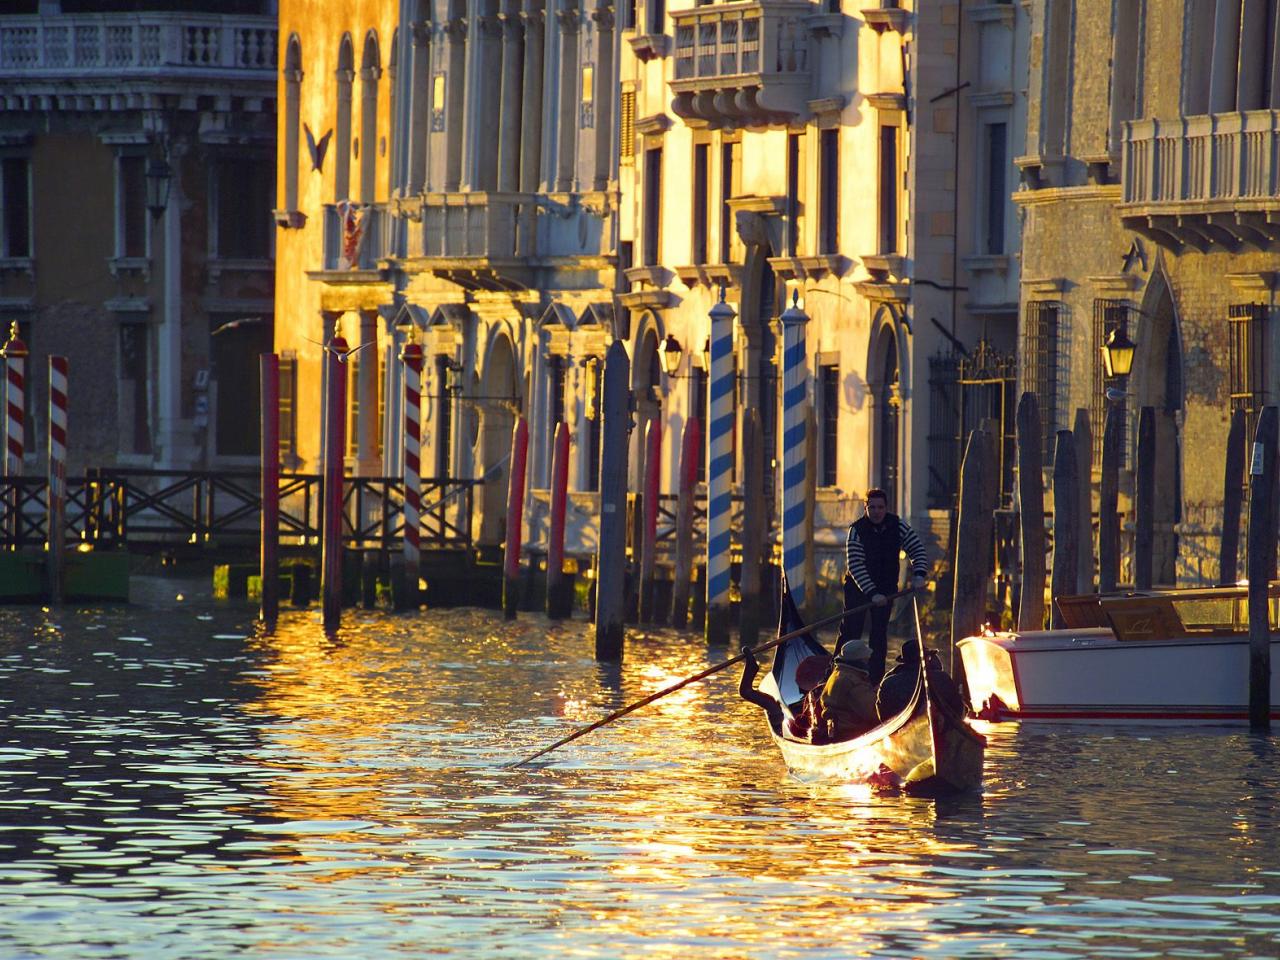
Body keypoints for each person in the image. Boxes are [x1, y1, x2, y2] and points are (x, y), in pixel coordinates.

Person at [838, 488, 929, 685]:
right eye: (872, 507)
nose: (877, 511)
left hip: (887, 589)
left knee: (879, 635)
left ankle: (874, 682)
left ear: (886, 508)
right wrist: (872, 593)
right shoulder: (856, 530)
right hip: (858, 589)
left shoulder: (897, 525)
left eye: (880, 507)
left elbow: (917, 549)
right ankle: (837, 676)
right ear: (865, 508)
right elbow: (855, 566)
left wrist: (919, 575)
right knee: (851, 631)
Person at [876, 638, 967, 723]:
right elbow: (958, 709)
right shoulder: (943, 678)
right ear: (927, 658)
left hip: (901, 730)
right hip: (940, 726)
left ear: (904, 661)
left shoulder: (888, 682)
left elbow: (883, 715)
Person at [820, 639, 881, 741]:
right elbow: (874, 713)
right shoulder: (853, 682)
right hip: (851, 732)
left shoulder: (836, 674)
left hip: (835, 729)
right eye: (866, 658)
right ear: (860, 660)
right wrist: (881, 691)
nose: (868, 660)